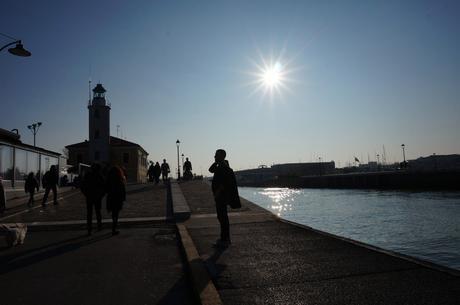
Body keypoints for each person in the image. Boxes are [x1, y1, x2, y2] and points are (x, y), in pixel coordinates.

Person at [209, 149, 241, 248]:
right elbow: (210, 170)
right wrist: (216, 162)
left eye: (216, 155)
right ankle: (224, 238)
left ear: (221, 156)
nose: (214, 156)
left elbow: (224, 183)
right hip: (220, 196)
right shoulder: (219, 165)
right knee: (221, 217)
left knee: (222, 217)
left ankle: (225, 239)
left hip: (221, 196)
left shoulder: (224, 167)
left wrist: (217, 193)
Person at [81, 163, 106, 235]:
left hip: (89, 197)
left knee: (89, 214)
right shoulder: (100, 176)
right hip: (97, 197)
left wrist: (86, 194)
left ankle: (89, 229)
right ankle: (99, 226)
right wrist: (101, 195)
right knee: (98, 212)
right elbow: (104, 187)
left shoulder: (88, 175)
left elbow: (83, 186)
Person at [106, 166, 126, 235]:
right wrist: (123, 198)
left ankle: (114, 226)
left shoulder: (109, 180)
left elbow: (106, 189)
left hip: (111, 198)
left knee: (113, 213)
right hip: (118, 199)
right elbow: (123, 190)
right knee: (116, 213)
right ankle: (114, 228)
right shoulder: (120, 180)